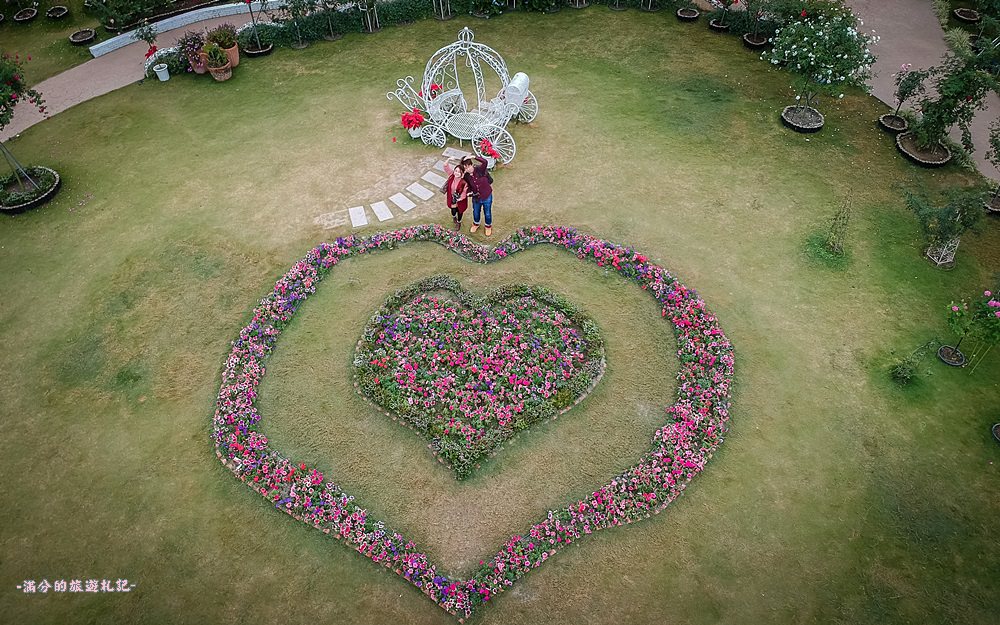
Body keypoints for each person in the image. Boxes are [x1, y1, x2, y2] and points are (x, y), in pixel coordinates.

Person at [464, 155, 494, 236]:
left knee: (487, 213)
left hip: (487, 196)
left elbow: (485, 162)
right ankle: (476, 224)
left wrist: (474, 156)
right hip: (476, 198)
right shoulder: (466, 176)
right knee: (476, 212)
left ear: (471, 165)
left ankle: (488, 226)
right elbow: (469, 186)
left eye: (468, 167)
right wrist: (469, 192)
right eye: (465, 168)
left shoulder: (479, 169)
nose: (467, 169)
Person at [441, 159, 470, 230]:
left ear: (462, 174)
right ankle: (454, 217)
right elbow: (445, 166)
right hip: (452, 199)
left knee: (460, 212)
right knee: (453, 210)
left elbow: (464, 192)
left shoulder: (464, 182)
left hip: (460, 201)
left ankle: (459, 222)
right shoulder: (452, 176)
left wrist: (460, 198)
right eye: (455, 171)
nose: (456, 173)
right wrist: (449, 159)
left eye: (459, 172)